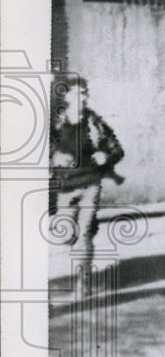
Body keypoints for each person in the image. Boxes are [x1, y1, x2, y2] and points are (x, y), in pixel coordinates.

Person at [49, 75, 125, 297]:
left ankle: (83, 285)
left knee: (83, 236)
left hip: (90, 184)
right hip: (65, 188)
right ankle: (81, 242)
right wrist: (54, 157)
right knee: (66, 235)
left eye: (86, 93)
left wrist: (106, 156)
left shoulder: (94, 123)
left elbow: (117, 149)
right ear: (67, 96)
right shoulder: (56, 123)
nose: (84, 97)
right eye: (79, 93)